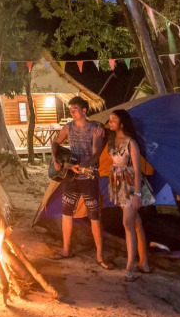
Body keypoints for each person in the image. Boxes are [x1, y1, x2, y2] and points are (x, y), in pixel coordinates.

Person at [50, 96, 110, 269]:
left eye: (75, 109)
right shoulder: (68, 127)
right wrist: (55, 159)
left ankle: (100, 256)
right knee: (66, 212)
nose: (72, 112)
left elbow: (96, 153)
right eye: (71, 109)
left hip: (88, 177)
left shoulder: (95, 128)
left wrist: (84, 165)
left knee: (94, 215)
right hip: (71, 176)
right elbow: (55, 142)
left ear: (84, 110)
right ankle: (66, 249)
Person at [106, 109, 154, 282]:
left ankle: (130, 267)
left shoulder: (131, 143)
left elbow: (138, 169)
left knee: (127, 223)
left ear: (122, 123)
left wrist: (138, 194)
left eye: (114, 119)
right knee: (135, 222)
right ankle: (144, 262)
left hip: (130, 185)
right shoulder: (111, 139)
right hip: (117, 184)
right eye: (109, 119)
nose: (110, 122)